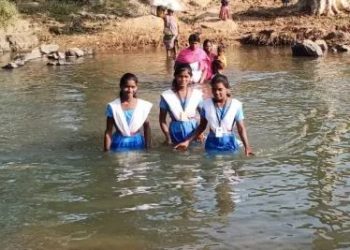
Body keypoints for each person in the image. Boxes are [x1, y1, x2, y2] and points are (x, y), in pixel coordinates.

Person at [175, 74, 253, 155]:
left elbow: (241, 128)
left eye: (220, 89)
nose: (216, 92)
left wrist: (247, 147)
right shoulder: (206, 105)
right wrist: (187, 142)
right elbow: (202, 126)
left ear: (227, 89)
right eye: (214, 89)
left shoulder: (236, 105)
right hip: (211, 144)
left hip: (229, 144)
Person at [104, 73, 152, 152]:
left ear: (136, 87)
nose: (130, 90)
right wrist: (106, 150)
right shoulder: (113, 106)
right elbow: (108, 130)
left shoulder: (142, 106)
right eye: (127, 87)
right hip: (119, 142)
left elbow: (147, 127)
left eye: (133, 87)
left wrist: (148, 146)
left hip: (137, 142)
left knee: (138, 164)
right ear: (121, 87)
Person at [159, 64, 203, 145]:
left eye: (186, 76)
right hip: (175, 132)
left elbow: (204, 118)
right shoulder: (166, 95)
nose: (183, 79)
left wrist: (200, 132)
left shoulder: (197, 94)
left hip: (193, 132)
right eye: (180, 76)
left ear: (190, 77)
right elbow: (162, 120)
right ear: (175, 76)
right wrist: (167, 136)